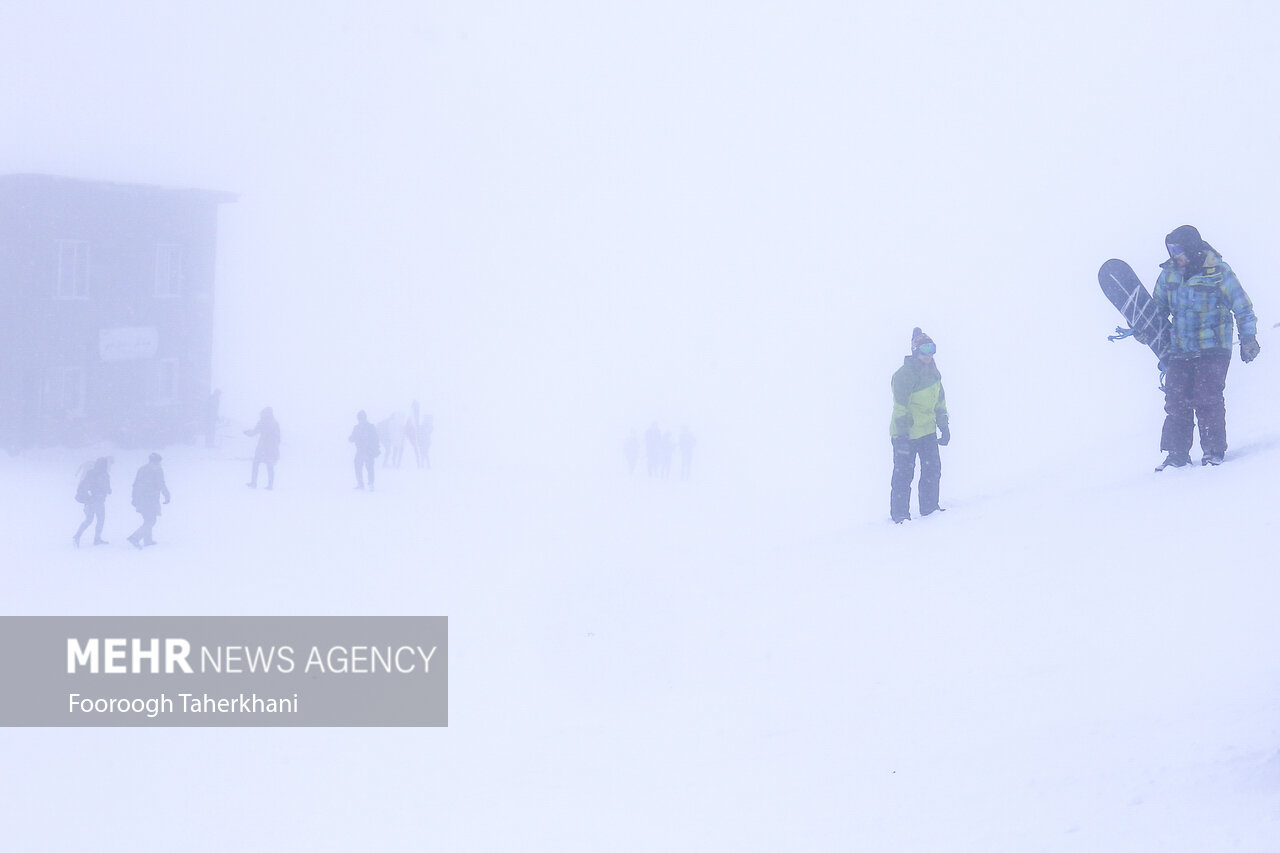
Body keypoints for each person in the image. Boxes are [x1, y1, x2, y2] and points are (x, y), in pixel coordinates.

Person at [1151, 225, 1259, 470]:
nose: (1174, 255)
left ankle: (1213, 450)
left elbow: (1242, 307)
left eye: (1178, 249)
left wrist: (1248, 337)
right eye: (1170, 250)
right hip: (1181, 348)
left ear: (1192, 247)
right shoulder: (1168, 275)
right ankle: (1176, 454)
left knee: (1206, 397)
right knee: (1176, 398)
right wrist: (1145, 328)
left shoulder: (1219, 272)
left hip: (1214, 347)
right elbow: (1158, 309)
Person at [889, 328, 950, 524]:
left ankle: (929, 508)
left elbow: (940, 402)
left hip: (927, 432)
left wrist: (944, 425)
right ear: (916, 351)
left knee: (932, 470)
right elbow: (900, 408)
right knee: (904, 474)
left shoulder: (933, 374)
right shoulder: (903, 376)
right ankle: (900, 515)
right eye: (925, 349)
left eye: (932, 349)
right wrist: (903, 436)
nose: (929, 354)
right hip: (905, 434)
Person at [128, 453, 171, 548]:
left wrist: (134, 498)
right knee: (151, 520)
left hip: (141, 498)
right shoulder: (157, 470)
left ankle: (148, 540)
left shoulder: (142, 469)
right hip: (151, 498)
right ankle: (135, 537)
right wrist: (167, 495)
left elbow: (135, 484)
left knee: (147, 518)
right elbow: (161, 484)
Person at [73, 456, 112, 547]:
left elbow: (84, 485)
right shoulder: (104, 474)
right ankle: (96, 539)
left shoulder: (90, 473)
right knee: (100, 520)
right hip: (98, 501)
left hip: (89, 500)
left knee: (89, 520)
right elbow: (107, 488)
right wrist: (108, 490)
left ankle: (77, 536)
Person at [244, 406, 281, 489]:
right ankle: (270, 485)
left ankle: (254, 483)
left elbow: (254, 432)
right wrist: (275, 447)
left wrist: (248, 433)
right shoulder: (274, 423)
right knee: (269, 466)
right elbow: (278, 437)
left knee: (256, 464)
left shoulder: (263, 422)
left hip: (263, 447)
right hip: (270, 448)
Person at [349, 410, 381, 490]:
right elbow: (351, 438)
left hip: (367, 451)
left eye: (361, 418)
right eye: (360, 419)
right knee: (362, 467)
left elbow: (376, 438)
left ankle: (367, 484)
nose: (360, 420)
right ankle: (364, 484)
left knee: (367, 467)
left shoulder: (367, 427)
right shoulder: (360, 428)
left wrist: (376, 448)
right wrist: (352, 438)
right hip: (363, 451)